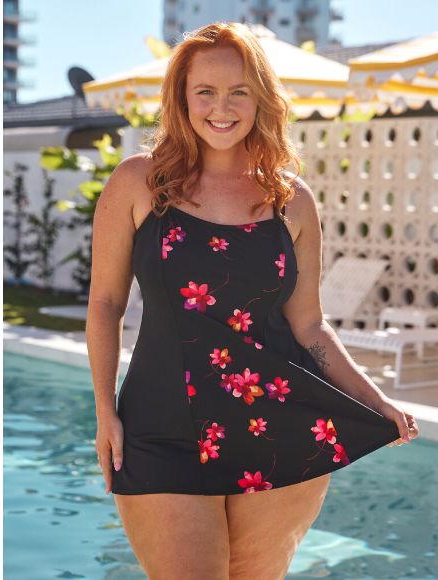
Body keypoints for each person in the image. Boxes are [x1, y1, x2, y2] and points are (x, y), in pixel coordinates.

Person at [87, 22, 419, 579]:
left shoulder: (292, 200)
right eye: (206, 92)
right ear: (182, 97)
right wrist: (103, 411)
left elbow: (310, 325)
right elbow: (105, 304)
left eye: (239, 91)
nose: (223, 107)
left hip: (280, 425)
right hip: (160, 426)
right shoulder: (139, 182)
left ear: (261, 98)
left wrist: (374, 398)